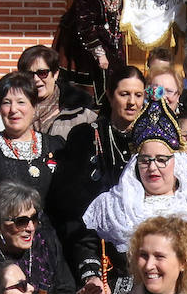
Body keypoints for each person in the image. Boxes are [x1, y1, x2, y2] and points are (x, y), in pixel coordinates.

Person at [79, 96, 187, 290]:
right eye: (145, 160)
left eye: (161, 159)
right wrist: (93, 277)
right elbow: (86, 245)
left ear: (177, 162)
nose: (152, 168)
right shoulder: (114, 205)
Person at [51, 66, 146, 277]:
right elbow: (69, 200)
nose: (132, 102)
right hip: (94, 243)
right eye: (124, 94)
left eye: (138, 95)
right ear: (111, 97)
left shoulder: (150, 142)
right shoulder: (86, 136)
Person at [0, 72, 63, 202]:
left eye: (21, 102)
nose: (13, 109)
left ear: (34, 107)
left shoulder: (56, 146)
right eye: (6, 102)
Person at [53, 0, 127, 92]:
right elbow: (85, 25)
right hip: (83, 42)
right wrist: (99, 54)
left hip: (110, 36)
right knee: (93, 84)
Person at [19, 44, 97, 141]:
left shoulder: (83, 115)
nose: (36, 79)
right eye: (29, 74)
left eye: (42, 73)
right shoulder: (13, 113)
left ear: (55, 74)